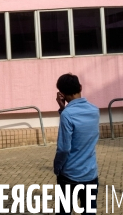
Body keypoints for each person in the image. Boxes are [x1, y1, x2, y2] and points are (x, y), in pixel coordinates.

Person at [54, 73, 100, 215]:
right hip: (90, 173)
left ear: (61, 93)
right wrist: (63, 109)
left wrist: (57, 167)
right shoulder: (94, 110)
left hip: (70, 175)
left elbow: (64, 149)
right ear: (80, 87)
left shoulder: (67, 115)